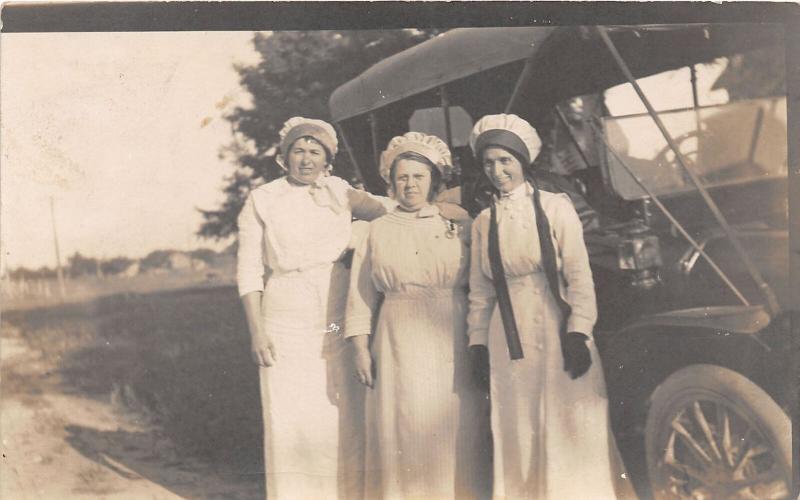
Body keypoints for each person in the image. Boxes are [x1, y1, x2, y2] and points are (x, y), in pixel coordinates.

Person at [466, 114, 621, 499]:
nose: (498, 171)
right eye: (489, 163)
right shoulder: (484, 221)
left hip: (557, 327)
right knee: (520, 425)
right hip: (510, 339)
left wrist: (578, 332)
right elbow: (481, 292)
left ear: (522, 160)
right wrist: (478, 343)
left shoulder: (555, 207)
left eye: (505, 160)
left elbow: (579, 275)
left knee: (572, 420)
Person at [236, 117, 391, 500]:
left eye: (315, 152)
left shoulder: (340, 192)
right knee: (290, 416)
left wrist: (361, 235)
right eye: (298, 151)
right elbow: (249, 269)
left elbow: (390, 211)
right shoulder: (262, 199)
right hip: (284, 317)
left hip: (335, 315)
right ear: (284, 156)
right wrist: (256, 329)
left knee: (340, 411)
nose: (306, 160)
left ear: (328, 160)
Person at [346, 132, 491, 500]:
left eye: (419, 176)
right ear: (392, 182)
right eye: (403, 177)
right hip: (397, 340)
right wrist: (360, 347)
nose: (411, 185)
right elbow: (361, 296)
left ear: (434, 180)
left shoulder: (459, 224)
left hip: (452, 333)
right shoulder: (375, 230)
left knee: (456, 425)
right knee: (406, 425)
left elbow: (482, 285)